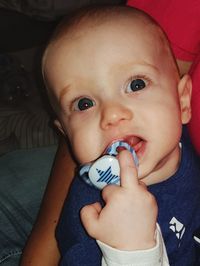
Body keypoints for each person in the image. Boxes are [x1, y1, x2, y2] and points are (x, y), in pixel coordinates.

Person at [40, 5, 200, 265]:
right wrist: (130, 252)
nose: (112, 114)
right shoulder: (92, 216)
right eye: (84, 104)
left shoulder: (181, 143)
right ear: (66, 135)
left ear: (182, 101)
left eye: (136, 84)